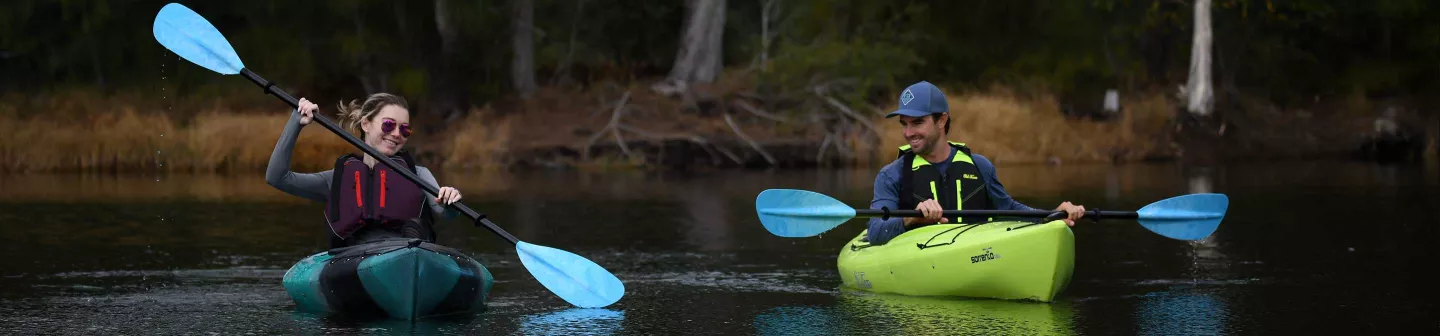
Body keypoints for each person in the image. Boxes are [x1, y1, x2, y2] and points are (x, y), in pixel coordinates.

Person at [866, 81, 1086, 245]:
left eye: (917, 123)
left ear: (941, 120)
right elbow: (875, 231)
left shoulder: (980, 166)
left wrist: (1052, 215)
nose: (908, 133)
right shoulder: (892, 174)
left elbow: (1008, 209)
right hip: (919, 258)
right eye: (904, 124)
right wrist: (910, 218)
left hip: (976, 255)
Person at [266, 93, 463, 248]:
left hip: (411, 252)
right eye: (388, 125)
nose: (396, 134)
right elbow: (277, 178)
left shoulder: (419, 174)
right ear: (366, 124)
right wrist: (295, 123)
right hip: (355, 259)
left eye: (404, 130)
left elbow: (445, 213)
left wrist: (450, 201)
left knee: (416, 227)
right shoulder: (336, 179)